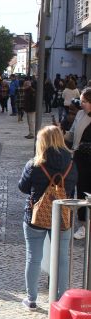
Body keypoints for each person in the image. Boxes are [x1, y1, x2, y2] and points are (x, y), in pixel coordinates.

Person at [18, 126, 77, 309]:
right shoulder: (71, 164)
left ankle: (31, 299)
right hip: (63, 216)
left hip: (36, 216)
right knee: (62, 258)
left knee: (33, 257)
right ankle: (61, 298)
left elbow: (23, 187)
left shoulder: (35, 164)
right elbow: (72, 187)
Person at [65, 88, 91, 240]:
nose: (81, 104)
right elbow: (72, 134)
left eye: (85, 102)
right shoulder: (80, 114)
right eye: (81, 101)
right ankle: (83, 225)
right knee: (81, 190)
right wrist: (60, 134)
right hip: (79, 158)